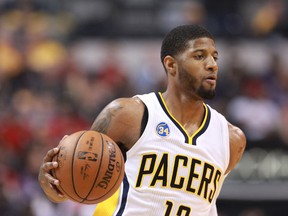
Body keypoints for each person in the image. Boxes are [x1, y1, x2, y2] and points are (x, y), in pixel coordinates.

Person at [38, 24, 246, 216]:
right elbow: (78, 184)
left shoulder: (231, 139)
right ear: (171, 65)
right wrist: (53, 185)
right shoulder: (127, 114)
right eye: (200, 56)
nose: (212, 65)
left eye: (215, 57)